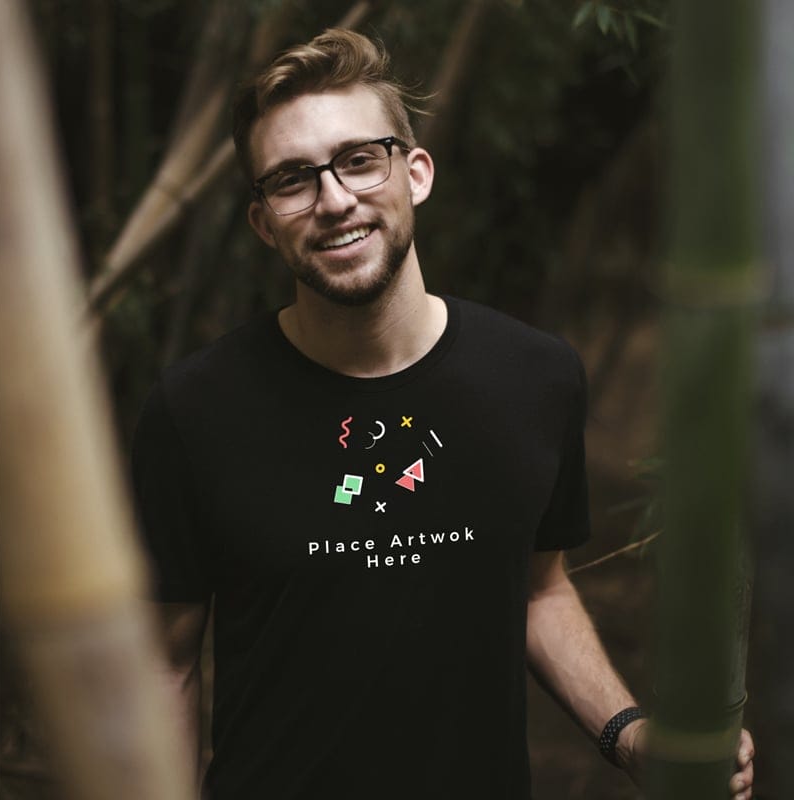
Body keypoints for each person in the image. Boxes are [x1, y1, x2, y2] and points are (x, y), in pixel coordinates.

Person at [132, 28, 755, 800]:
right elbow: (166, 666)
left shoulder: (535, 377)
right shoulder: (194, 411)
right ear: (263, 221)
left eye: (360, 159)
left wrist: (626, 734)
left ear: (416, 171)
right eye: (292, 180)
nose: (334, 200)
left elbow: (539, 589)